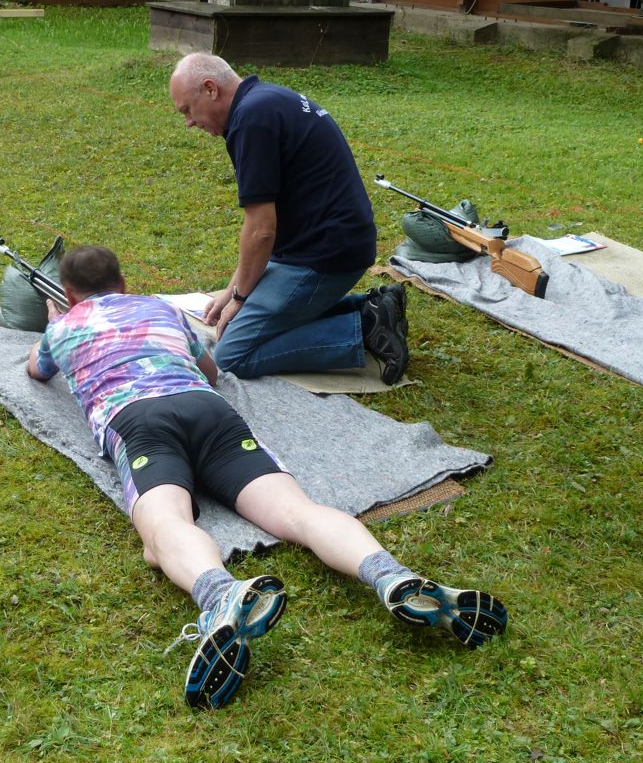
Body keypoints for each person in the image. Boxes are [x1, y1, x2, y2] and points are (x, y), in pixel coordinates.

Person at [28, 245, 508, 710]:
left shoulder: (62, 328)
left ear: (68, 295)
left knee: (164, 531)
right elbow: (210, 372)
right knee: (299, 513)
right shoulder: (159, 309)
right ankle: (391, 576)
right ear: (123, 283)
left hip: (138, 423)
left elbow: (36, 370)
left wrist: (55, 324)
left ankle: (220, 594)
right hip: (209, 412)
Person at [168, 52, 409, 385]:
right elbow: (263, 229)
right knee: (241, 319)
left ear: (210, 89)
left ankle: (364, 328)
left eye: (187, 110)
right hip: (323, 244)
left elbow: (261, 231)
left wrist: (239, 297)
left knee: (231, 354)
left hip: (325, 256)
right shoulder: (263, 101)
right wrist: (234, 289)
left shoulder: (252, 120)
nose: (189, 122)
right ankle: (372, 308)